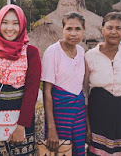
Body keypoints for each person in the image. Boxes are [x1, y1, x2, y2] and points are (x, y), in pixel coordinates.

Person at [0, 4, 41, 156]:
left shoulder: (31, 53)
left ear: (22, 25)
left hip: (21, 124)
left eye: (15, 23)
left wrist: (21, 126)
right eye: (5, 22)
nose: (10, 28)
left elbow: (32, 92)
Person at [85, 12, 121, 155]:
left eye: (118, 28)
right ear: (102, 29)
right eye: (109, 27)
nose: (114, 32)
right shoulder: (90, 56)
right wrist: (86, 125)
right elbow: (84, 93)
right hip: (98, 117)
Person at [41, 12, 87, 156]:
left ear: (83, 30)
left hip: (79, 111)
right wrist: (51, 127)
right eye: (69, 29)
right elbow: (46, 92)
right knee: (60, 150)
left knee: (78, 150)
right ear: (63, 30)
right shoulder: (52, 51)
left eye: (78, 29)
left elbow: (82, 86)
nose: (73, 33)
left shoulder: (81, 51)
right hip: (60, 112)